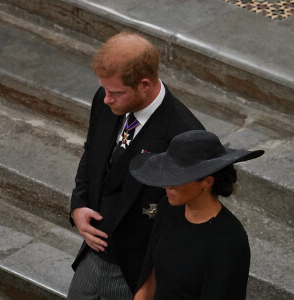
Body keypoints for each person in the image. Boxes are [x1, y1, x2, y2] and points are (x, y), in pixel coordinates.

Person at [67, 32, 205, 300]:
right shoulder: (104, 100)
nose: (106, 99)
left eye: (116, 92)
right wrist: (79, 204)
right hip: (91, 259)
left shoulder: (183, 135)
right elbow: (91, 153)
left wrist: (149, 283)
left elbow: (183, 220)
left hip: (137, 275)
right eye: (105, 89)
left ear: (144, 84)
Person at [129, 130, 264, 299]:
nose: (166, 186)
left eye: (177, 178)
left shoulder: (229, 241)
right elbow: (150, 277)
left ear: (207, 182)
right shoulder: (168, 208)